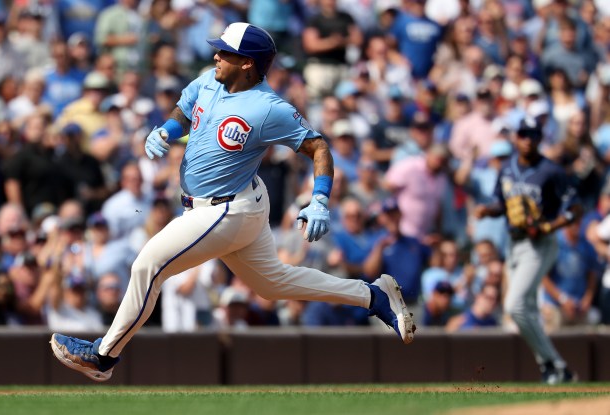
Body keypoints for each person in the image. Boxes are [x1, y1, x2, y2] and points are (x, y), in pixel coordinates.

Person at [50, 22, 415, 382]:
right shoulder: (210, 79)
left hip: (227, 208)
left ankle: (103, 356)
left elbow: (318, 146)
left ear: (247, 63)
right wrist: (166, 130)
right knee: (273, 284)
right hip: (230, 203)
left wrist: (319, 198)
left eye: (225, 51)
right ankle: (373, 296)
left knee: (148, 264)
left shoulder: (268, 108)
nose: (215, 55)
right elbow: (186, 109)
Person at [474, 117, 580, 385]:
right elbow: (501, 203)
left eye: (532, 135)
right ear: (515, 137)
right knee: (528, 311)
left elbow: (576, 208)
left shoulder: (551, 170)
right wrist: (488, 210)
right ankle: (553, 369)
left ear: (539, 138)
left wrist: (550, 226)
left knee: (514, 305)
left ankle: (554, 363)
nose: (527, 139)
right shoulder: (507, 168)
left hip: (539, 244)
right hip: (513, 243)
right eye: (523, 134)